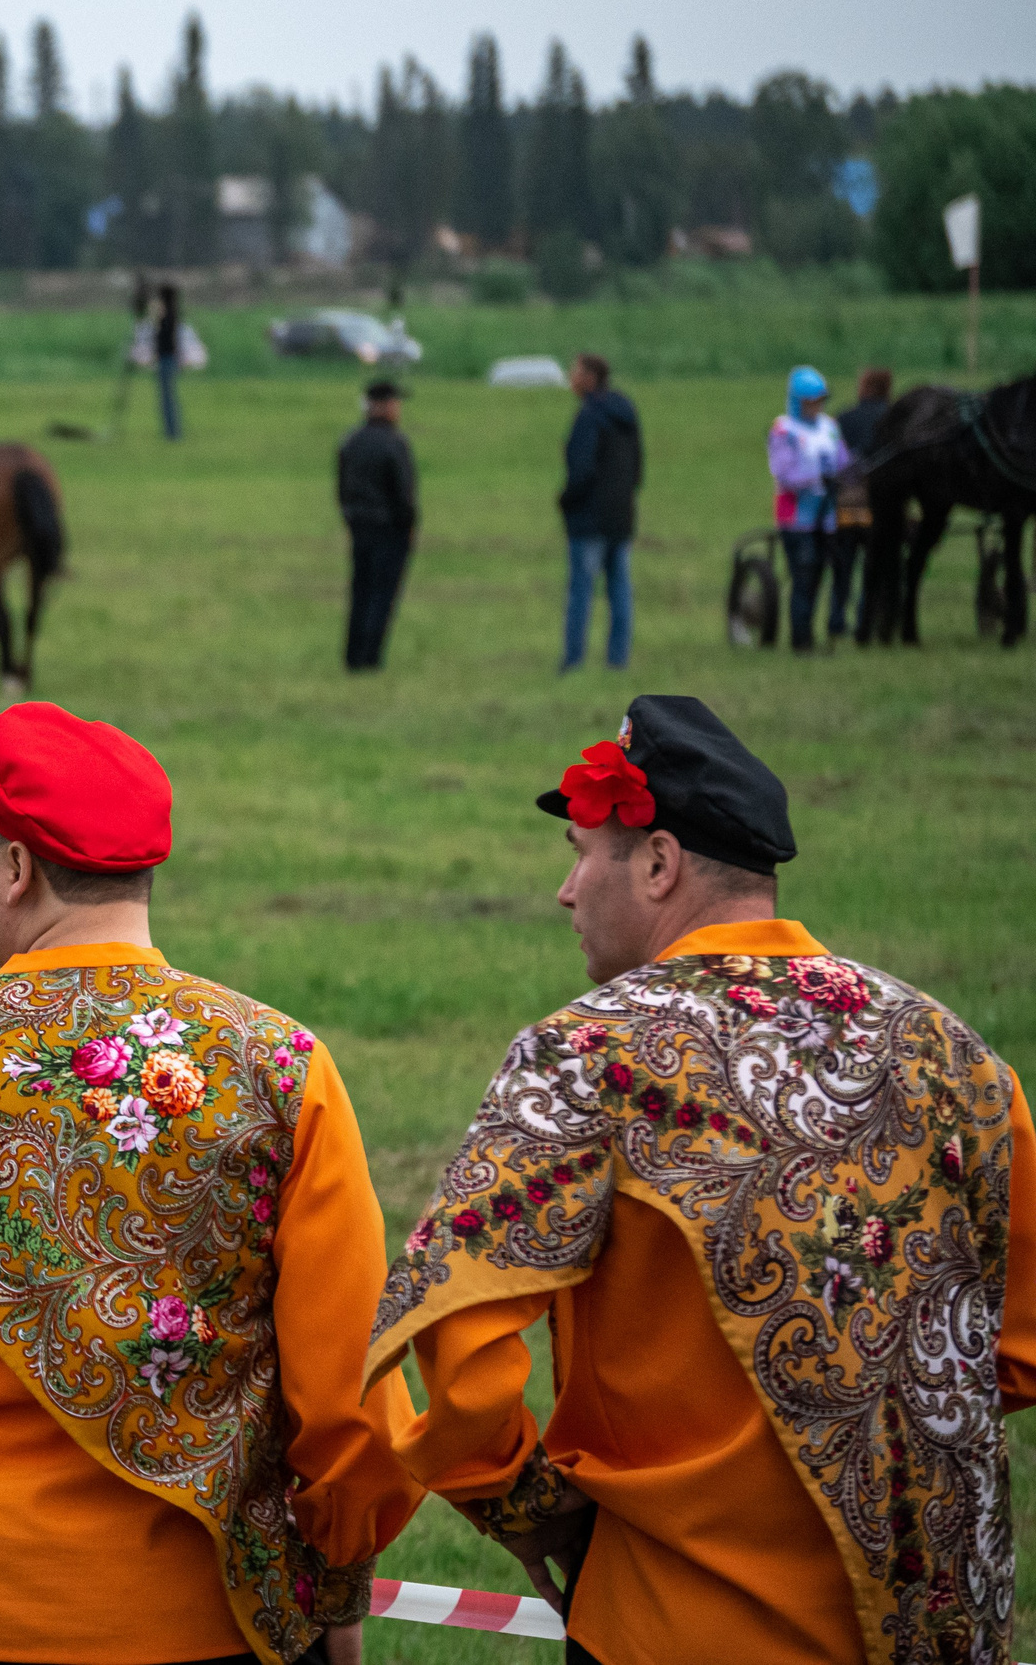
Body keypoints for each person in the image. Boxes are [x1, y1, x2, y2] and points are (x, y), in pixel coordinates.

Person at [0, 702, 422, 1665]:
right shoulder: (279, 1067)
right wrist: (335, 1583)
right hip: (205, 1621)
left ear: (15, 867)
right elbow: (351, 1388)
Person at [371, 693, 1036, 1665]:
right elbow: (1014, 1350)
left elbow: (461, 1343)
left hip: (675, 1620)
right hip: (936, 1626)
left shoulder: (589, 1054)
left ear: (657, 863)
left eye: (580, 854)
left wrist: (525, 1504)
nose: (565, 891)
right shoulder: (950, 1049)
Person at [557, 354, 643, 673]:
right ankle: (617, 660)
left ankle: (573, 660)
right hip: (621, 515)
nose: (571, 377)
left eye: (575, 371)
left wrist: (565, 500)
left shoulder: (589, 416)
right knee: (619, 588)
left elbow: (581, 470)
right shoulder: (626, 412)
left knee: (581, 589)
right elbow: (637, 467)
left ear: (590, 377)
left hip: (589, 517)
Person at [336, 379, 418, 672]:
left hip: (359, 526)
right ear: (384, 406)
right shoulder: (395, 443)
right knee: (382, 595)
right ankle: (370, 658)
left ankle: (352, 655)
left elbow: (342, 488)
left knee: (361, 591)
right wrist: (408, 526)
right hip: (390, 528)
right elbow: (403, 492)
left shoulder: (351, 441)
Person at [768, 366, 850, 654]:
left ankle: (814, 634)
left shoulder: (830, 427)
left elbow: (843, 461)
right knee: (803, 577)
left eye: (820, 400)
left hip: (826, 517)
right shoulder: (784, 430)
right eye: (811, 402)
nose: (817, 406)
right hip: (796, 519)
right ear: (797, 401)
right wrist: (816, 478)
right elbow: (783, 472)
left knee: (819, 577)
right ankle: (801, 641)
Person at [830, 368, 895, 644]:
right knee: (874, 569)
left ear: (865, 387)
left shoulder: (843, 418)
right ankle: (865, 618)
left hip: (844, 508)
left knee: (842, 569)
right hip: (880, 509)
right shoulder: (895, 419)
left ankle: (836, 619)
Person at [153, 283, 185, 444]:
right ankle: (172, 431)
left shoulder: (167, 316)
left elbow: (162, 338)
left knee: (167, 398)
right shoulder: (173, 314)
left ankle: (172, 432)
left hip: (166, 359)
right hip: (169, 358)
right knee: (168, 397)